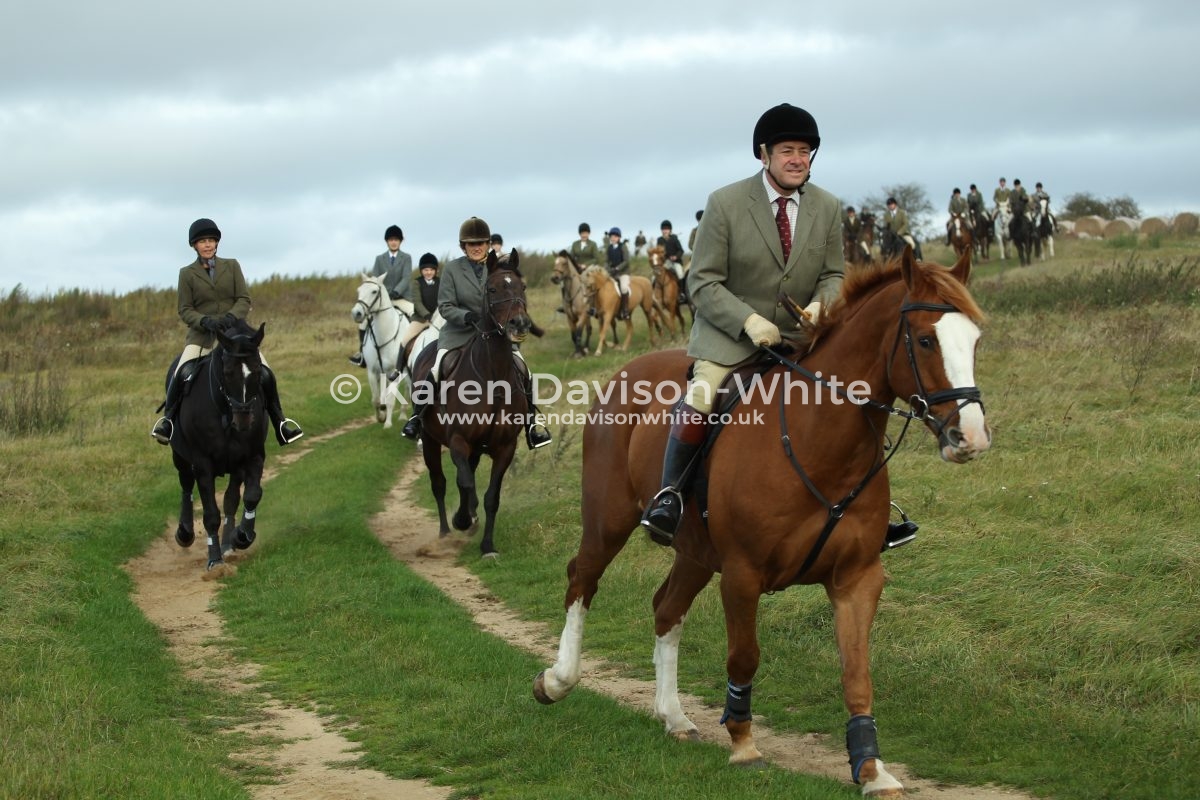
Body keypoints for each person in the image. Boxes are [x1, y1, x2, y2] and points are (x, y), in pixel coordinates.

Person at [640, 103, 844, 544]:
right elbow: (702, 281)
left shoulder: (827, 207)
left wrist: (821, 307)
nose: (798, 159)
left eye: (805, 151)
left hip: (801, 337)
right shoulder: (726, 203)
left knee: (850, 396)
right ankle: (670, 495)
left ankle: (862, 504)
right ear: (764, 154)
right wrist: (748, 320)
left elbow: (834, 275)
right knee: (702, 394)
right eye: (788, 150)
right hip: (730, 339)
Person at [401, 217, 551, 449]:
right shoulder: (452, 269)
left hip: (495, 335)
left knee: (524, 370)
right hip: (459, 332)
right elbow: (445, 306)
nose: (476, 247)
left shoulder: (499, 268)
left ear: (488, 244)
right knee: (436, 367)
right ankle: (417, 418)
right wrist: (466, 316)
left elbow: (511, 300)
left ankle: (531, 425)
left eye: (481, 243)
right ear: (463, 246)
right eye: (471, 244)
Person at [150, 218, 303, 447]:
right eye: (203, 241)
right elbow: (185, 309)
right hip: (203, 336)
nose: (208, 244)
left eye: (211, 240)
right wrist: (205, 321)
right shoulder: (187, 273)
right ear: (194, 245)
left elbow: (243, 298)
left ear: (217, 243)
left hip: (236, 335)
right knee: (181, 372)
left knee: (266, 373)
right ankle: (168, 421)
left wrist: (232, 317)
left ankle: (281, 423)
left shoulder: (232, 266)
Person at [350, 224, 412, 366]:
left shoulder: (406, 258)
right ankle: (362, 353)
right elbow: (375, 280)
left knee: (415, 315)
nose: (393, 242)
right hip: (382, 300)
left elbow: (406, 278)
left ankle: (416, 351)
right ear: (387, 241)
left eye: (396, 239)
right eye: (391, 240)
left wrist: (396, 291)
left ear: (400, 241)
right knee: (363, 322)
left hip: (401, 298)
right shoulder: (379, 259)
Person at [605, 226, 632, 320]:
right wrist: (607, 268)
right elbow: (606, 261)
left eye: (615, 236)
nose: (613, 238)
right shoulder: (609, 248)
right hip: (612, 273)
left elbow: (626, 261)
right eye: (611, 236)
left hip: (623, 272)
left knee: (623, 287)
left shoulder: (623, 247)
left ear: (619, 238)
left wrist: (617, 268)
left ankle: (625, 310)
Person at [657, 219, 687, 302]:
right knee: (656, 275)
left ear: (670, 230)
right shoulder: (660, 240)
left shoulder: (674, 239)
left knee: (680, 274)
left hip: (676, 262)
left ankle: (682, 293)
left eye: (667, 229)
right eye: (663, 229)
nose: (665, 231)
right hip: (666, 262)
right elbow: (659, 251)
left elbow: (681, 250)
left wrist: (675, 257)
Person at [411, 252, 440, 322]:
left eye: (432, 270)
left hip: (438, 317)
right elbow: (417, 302)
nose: (429, 272)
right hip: (420, 319)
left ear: (436, 270)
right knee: (409, 330)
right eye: (426, 270)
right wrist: (427, 315)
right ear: (421, 271)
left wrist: (437, 315)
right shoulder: (416, 283)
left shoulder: (441, 282)